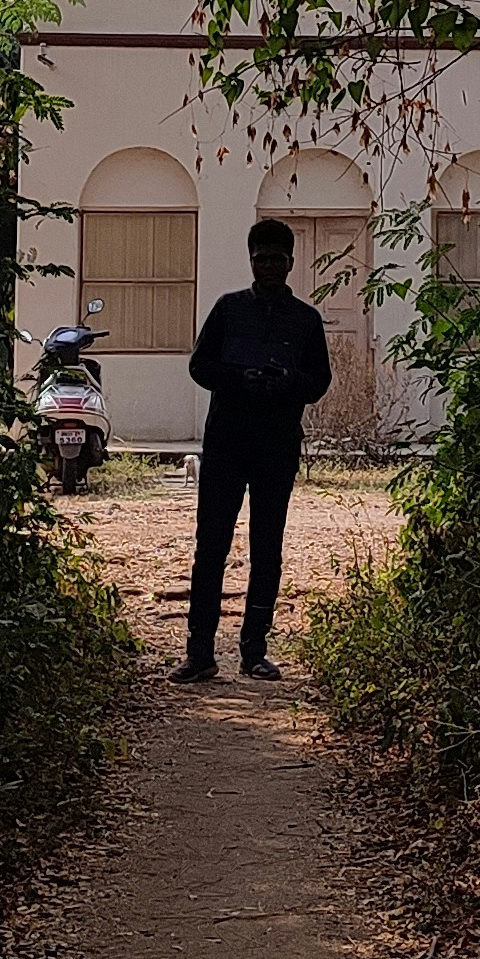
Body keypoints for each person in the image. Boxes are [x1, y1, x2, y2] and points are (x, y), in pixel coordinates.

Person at [176, 217, 332, 681]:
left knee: (267, 548)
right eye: (261, 258)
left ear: (290, 263)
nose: (268, 266)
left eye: (277, 259)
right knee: (211, 547)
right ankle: (199, 652)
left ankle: (254, 652)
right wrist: (240, 378)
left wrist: (286, 383)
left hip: (276, 448)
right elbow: (200, 366)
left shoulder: (305, 320)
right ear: (251, 260)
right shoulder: (228, 310)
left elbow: (318, 382)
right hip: (225, 444)